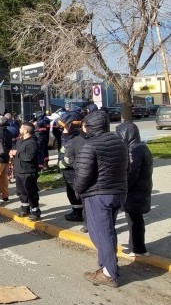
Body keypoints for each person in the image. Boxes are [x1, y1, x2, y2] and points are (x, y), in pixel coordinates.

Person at [74, 110, 128, 288]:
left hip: (98, 195)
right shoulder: (120, 142)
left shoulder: (90, 146)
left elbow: (83, 176)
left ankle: (109, 273)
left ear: (90, 126)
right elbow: (126, 167)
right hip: (118, 192)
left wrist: (78, 192)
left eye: (84, 126)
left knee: (101, 234)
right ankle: (106, 265)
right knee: (108, 231)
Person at [116, 121, 153, 257]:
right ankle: (136, 246)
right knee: (135, 219)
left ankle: (138, 249)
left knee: (134, 221)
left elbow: (131, 174)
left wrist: (123, 188)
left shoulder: (134, 150)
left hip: (134, 192)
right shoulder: (142, 147)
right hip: (142, 190)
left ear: (126, 135)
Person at [57, 112, 86, 222]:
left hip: (72, 170)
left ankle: (79, 213)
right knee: (71, 192)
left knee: (76, 192)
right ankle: (77, 211)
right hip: (68, 170)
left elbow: (69, 157)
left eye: (64, 127)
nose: (62, 130)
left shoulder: (74, 138)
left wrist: (61, 165)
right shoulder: (68, 136)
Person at [11, 122, 41, 221]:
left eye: (21, 128)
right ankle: (25, 209)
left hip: (28, 172)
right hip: (19, 171)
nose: (19, 129)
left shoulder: (32, 142)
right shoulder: (20, 140)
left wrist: (17, 153)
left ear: (26, 130)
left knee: (31, 192)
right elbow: (15, 150)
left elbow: (29, 157)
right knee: (21, 191)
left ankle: (35, 211)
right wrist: (11, 153)